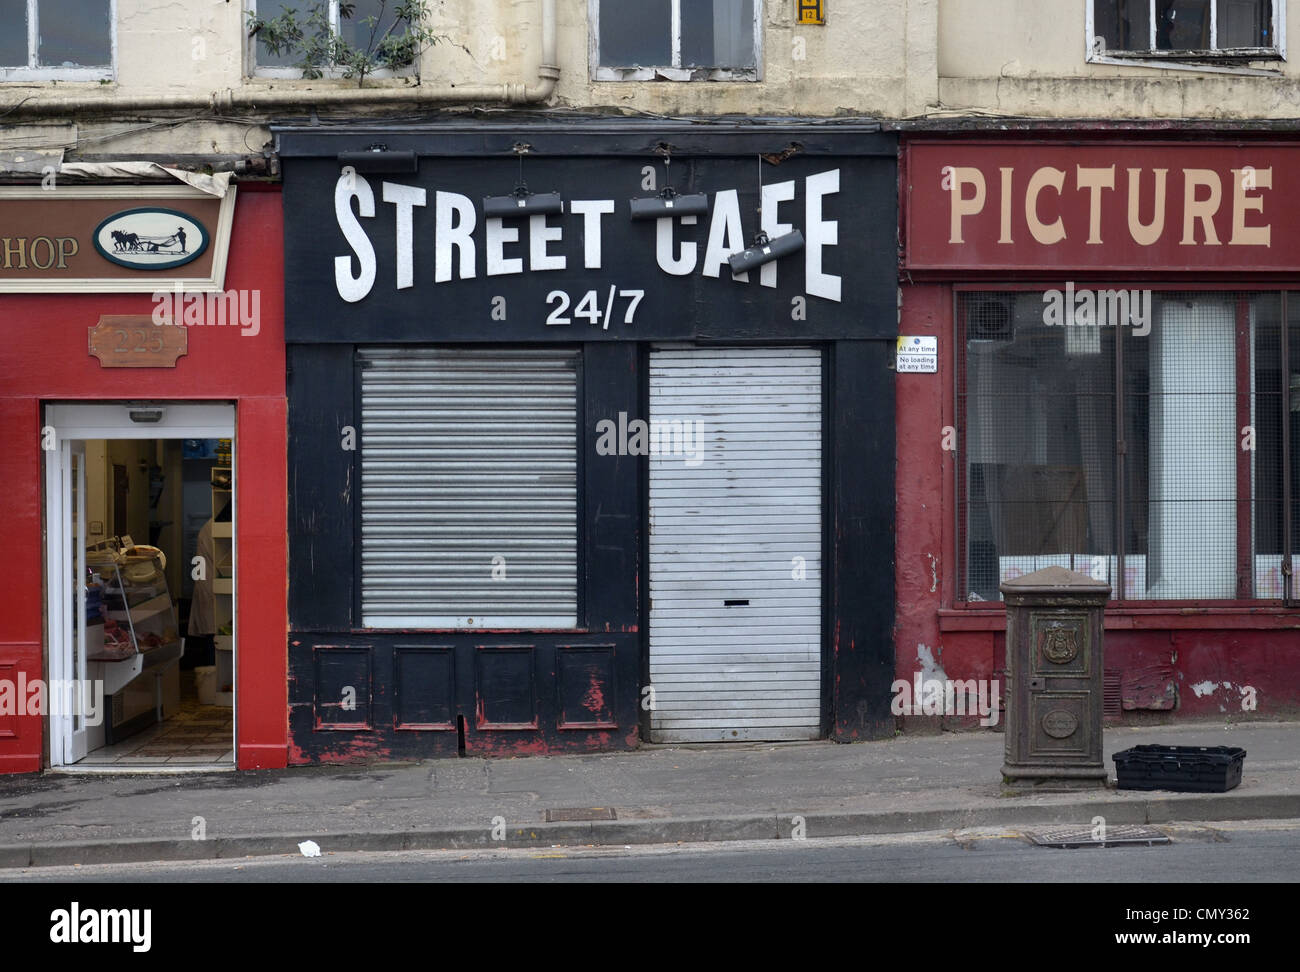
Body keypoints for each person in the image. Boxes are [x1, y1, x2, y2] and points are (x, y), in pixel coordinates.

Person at [187, 517, 215, 666]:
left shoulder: (208, 527)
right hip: (212, 597)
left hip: (210, 595)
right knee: (215, 654)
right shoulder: (212, 528)